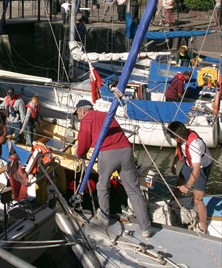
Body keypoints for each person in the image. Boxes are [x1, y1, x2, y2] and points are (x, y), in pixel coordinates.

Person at [74, 100, 153, 238]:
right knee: (133, 190)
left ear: (83, 111)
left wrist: (80, 154)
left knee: (102, 185)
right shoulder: (106, 115)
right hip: (126, 151)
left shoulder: (87, 119)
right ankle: (146, 228)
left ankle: (104, 218)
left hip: (108, 152)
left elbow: (83, 142)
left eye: (77, 114)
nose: (77, 117)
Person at [168, 121, 213, 234]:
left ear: (177, 137)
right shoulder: (182, 137)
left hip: (202, 167)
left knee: (198, 199)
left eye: (173, 138)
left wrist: (188, 185)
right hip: (189, 163)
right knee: (178, 187)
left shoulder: (195, 145)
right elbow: (180, 148)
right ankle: (172, 206)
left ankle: (203, 228)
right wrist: (174, 162)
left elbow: (197, 168)